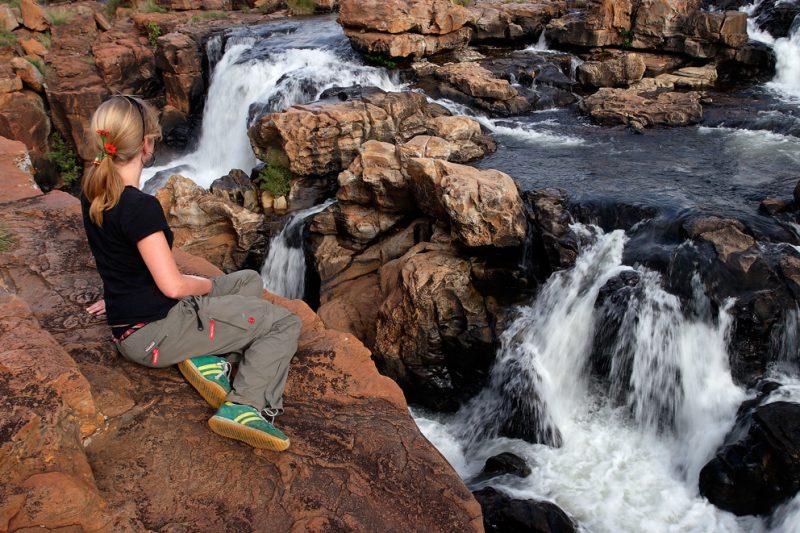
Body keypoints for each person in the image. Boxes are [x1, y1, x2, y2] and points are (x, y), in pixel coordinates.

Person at [81, 95, 301, 451]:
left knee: (249, 280)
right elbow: (173, 286)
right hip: (156, 332)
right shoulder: (140, 208)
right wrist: (203, 287)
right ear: (147, 145)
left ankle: (205, 356)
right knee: (283, 323)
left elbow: (113, 254)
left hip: (139, 319)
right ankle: (244, 407)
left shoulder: (94, 189)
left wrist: (116, 294)